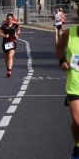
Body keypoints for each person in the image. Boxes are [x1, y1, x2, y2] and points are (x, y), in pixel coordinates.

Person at [56, 26, 79, 159]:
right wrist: (62, 61)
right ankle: (77, 145)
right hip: (74, 84)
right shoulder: (68, 34)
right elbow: (59, 48)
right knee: (77, 122)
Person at [0, 13, 21, 77]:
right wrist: (4, 35)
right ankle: (8, 68)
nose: (9, 20)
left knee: (10, 56)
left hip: (13, 42)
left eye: (11, 19)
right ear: (6, 19)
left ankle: (9, 70)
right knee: (6, 58)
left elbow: (19, 29)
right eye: (8, 19)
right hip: (5, 42)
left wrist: (17, 35)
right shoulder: (4, 26)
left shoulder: (15, 25)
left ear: (12, 19)